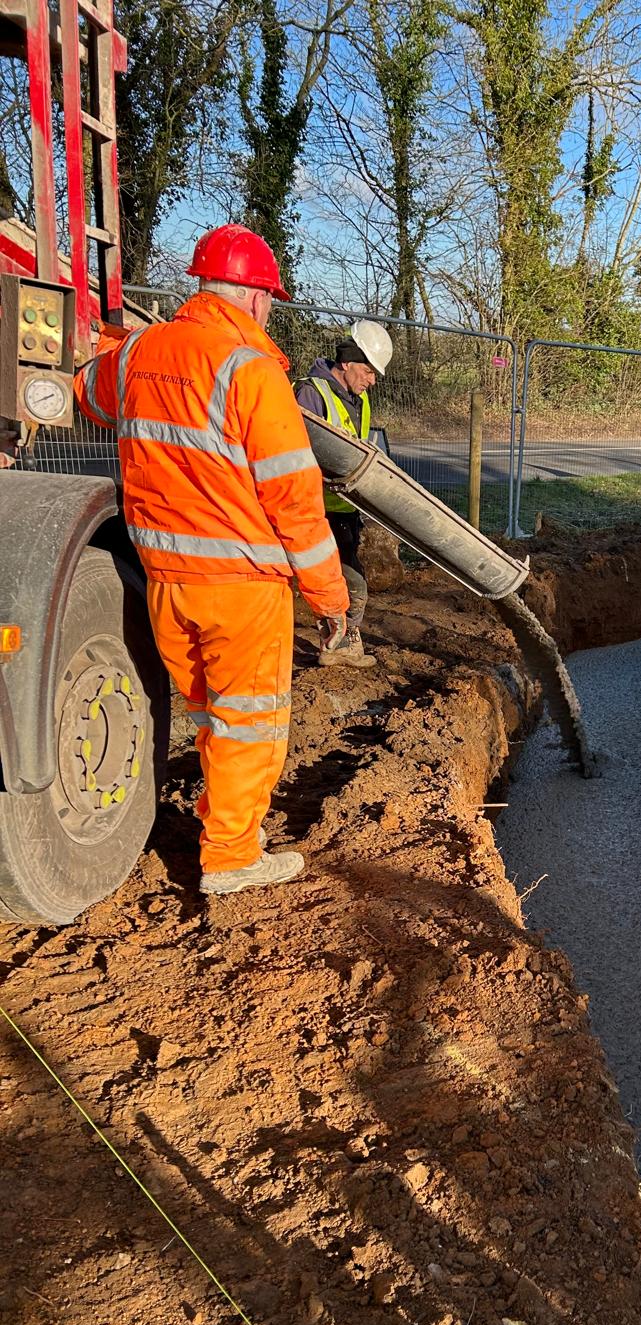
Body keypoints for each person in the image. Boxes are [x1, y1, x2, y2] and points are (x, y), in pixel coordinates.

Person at [74, 222, 350, 897]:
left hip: (167, 582)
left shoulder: (140, 354)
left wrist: (109, 338)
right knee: (250, 725)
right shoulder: (252, 372)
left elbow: (86, 392)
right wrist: (330, 598)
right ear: (256, 299)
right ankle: (230, 856)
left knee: (211, 718)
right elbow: (294, 498)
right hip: (242, 589)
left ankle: (221, 823)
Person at [294, 319, 393, 668]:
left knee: (347, 577)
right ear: (347, 362)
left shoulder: (358, 400)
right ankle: (339, 646)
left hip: (344, 507)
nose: (372, 380)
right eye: (368, 371)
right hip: (313, 508)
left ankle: (338, 643)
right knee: (345, 582)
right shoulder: (311, 394)